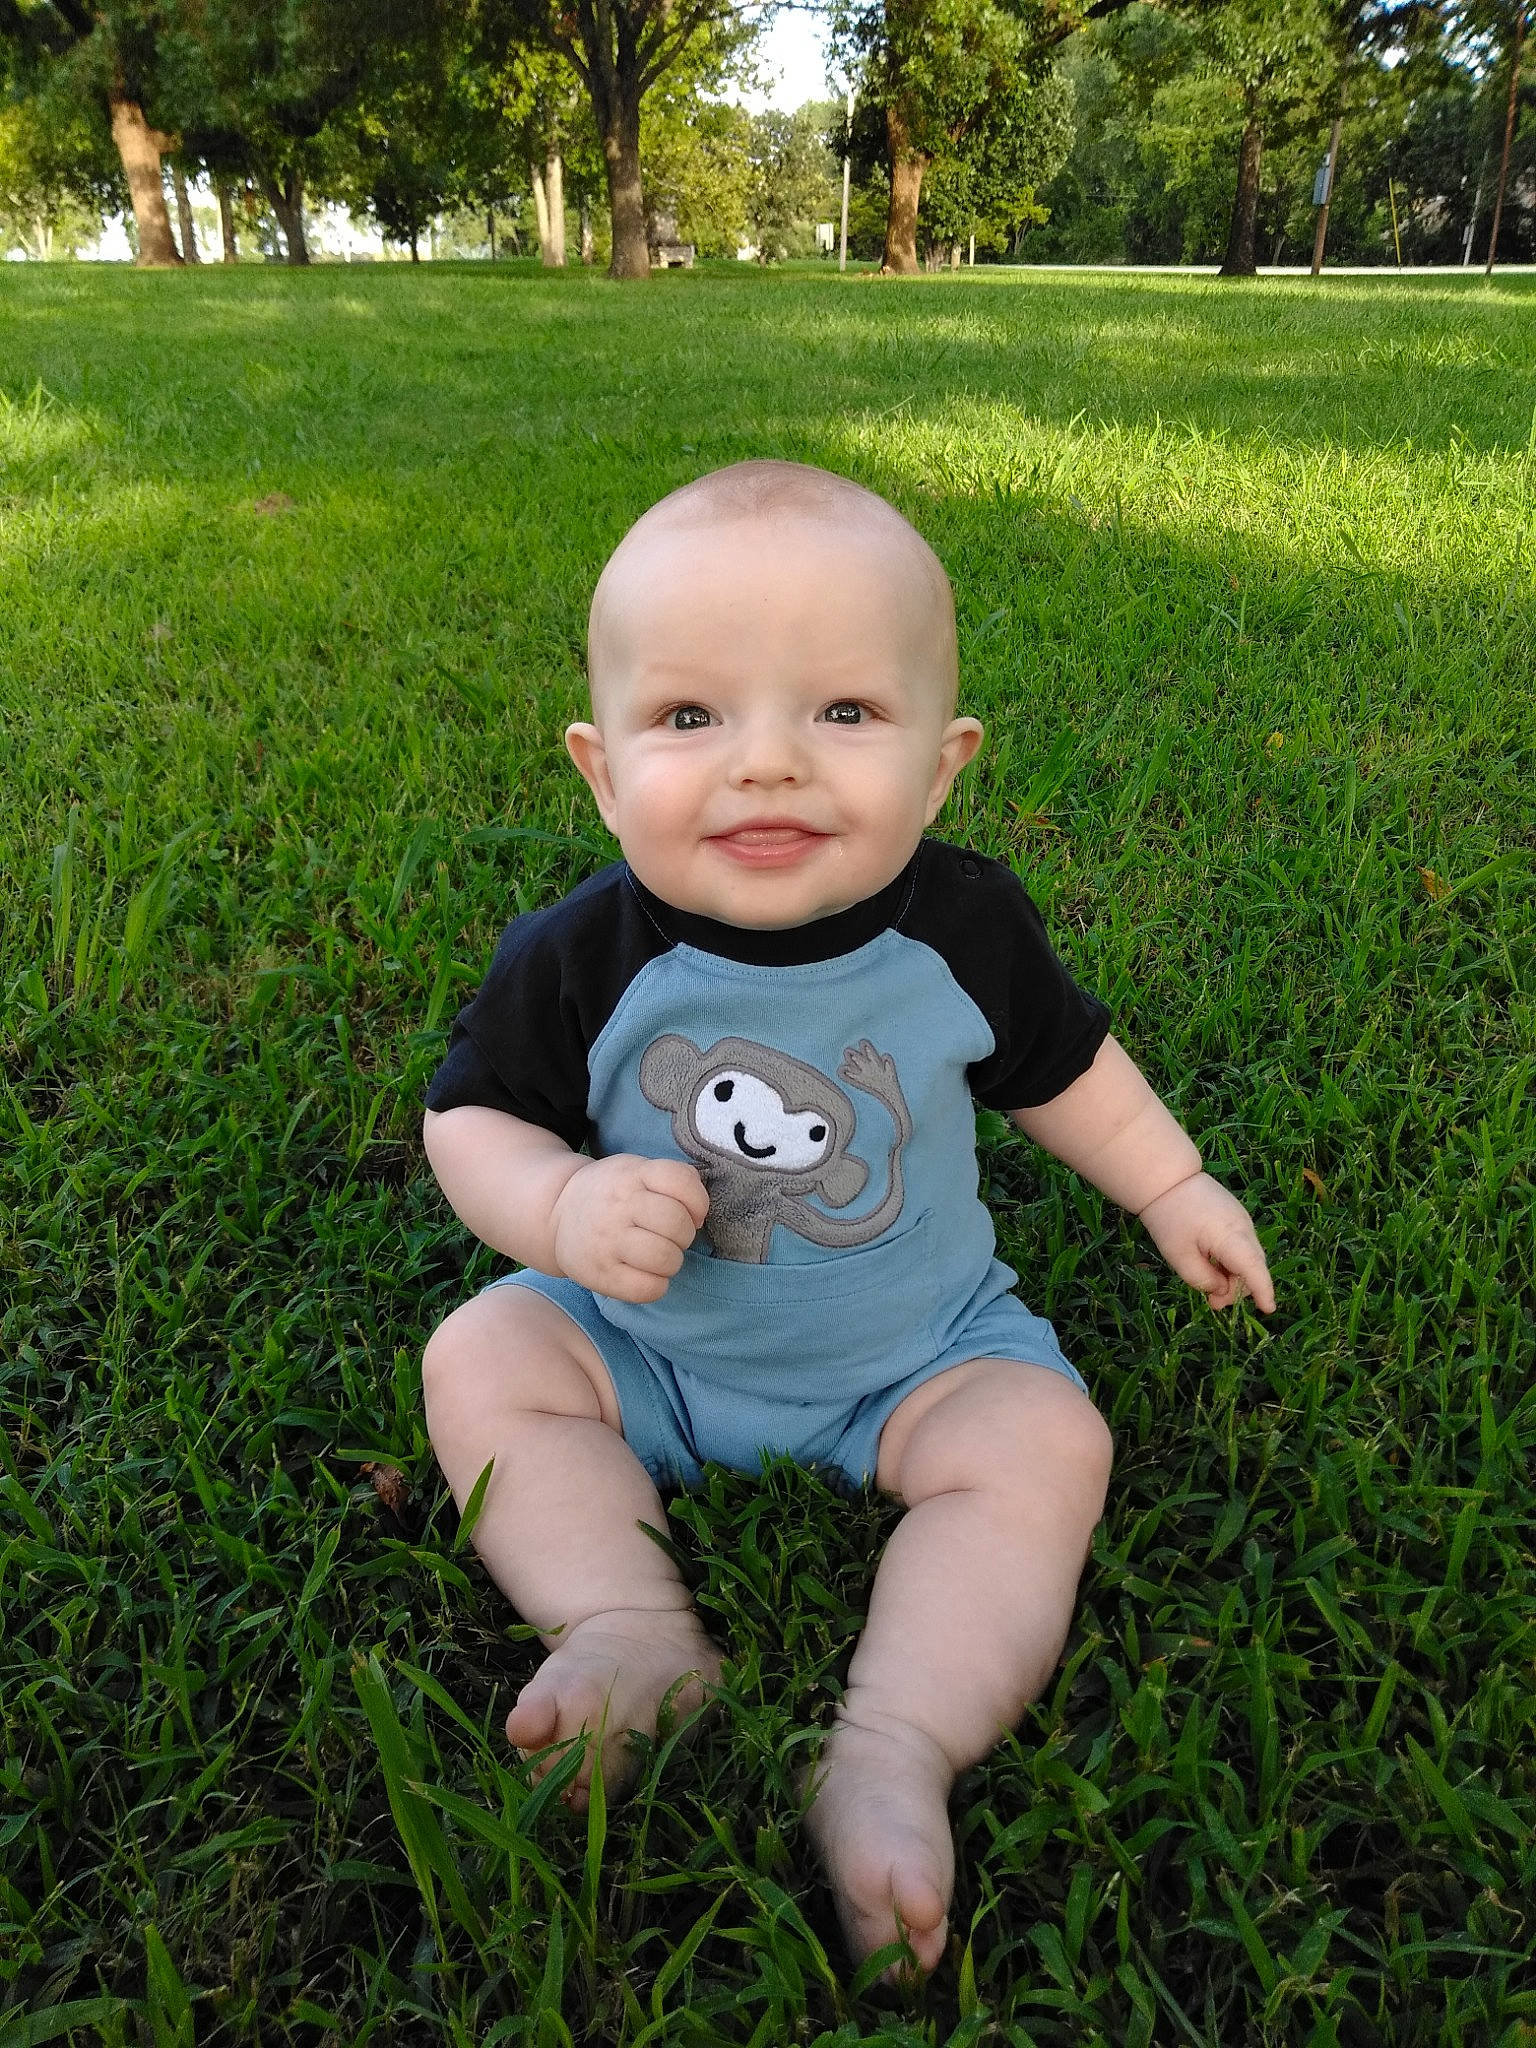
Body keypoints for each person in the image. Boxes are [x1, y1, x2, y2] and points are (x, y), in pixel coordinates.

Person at [420, 458, 1276, 1978]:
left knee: (1044, 1442)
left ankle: (893, 1742)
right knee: (480, 1360)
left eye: (844, 711)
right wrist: (556, 1205)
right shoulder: (581, 957)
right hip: (643, 1353)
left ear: (942, 768)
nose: (768, 765)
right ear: (602, 772)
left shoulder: (965, 929)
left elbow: (1066, 1068)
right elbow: (469, 1119)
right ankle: (625, 1625)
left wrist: (1170, 1183)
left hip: (917, 1361)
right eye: (692, 717)